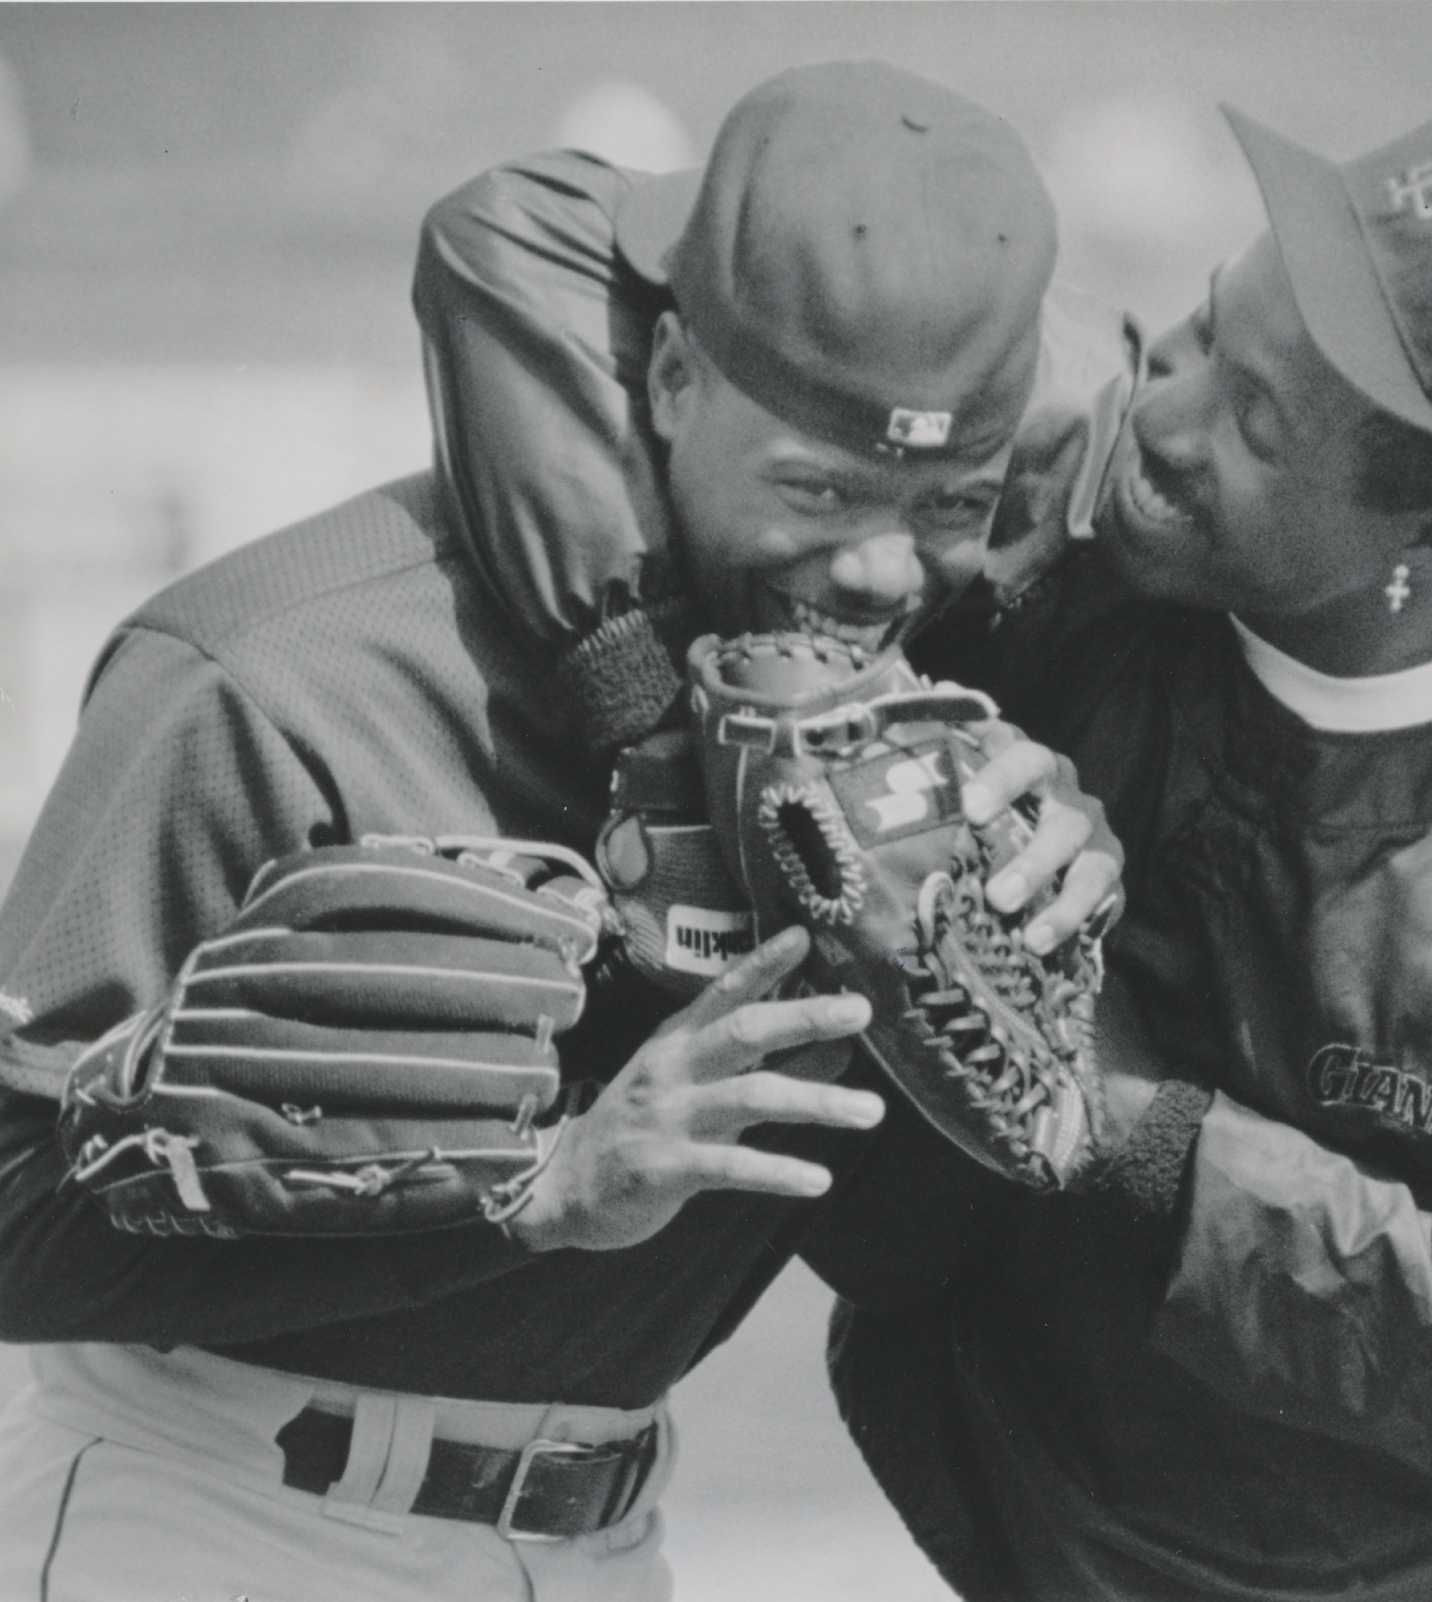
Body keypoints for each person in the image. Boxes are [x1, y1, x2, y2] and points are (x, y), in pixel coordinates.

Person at [400, 88, 1432, 1602]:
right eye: (1198, 332)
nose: (1160, 415)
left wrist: (1147, 1138)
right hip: (1056, 1546)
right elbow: (521, 236)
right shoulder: (1075, 466)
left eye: (1252, 422)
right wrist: (652, 713)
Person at [0, 59, 1117, 1602]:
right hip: (214, 1515)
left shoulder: (926, 706)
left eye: (944, 509)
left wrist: (1072, 869)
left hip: (612, 1538)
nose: (876, 569)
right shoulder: (276, 676)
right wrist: (530, 1185)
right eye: (818, 485)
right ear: (670, 379)